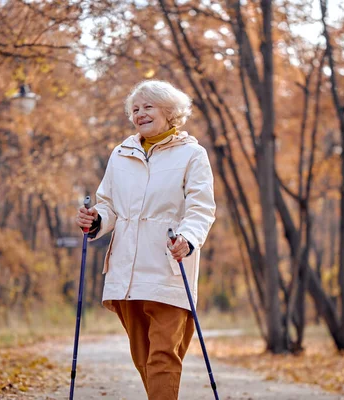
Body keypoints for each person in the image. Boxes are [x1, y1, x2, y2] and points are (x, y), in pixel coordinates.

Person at [75, 79, 216, 399]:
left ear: (170, 112)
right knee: (144, 357)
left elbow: (201, 209)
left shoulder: (192, 154)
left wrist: (188, 238)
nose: (140, 113)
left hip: (169, 265)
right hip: (126, 272)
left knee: (164, 354)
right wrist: (95, 218)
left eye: (148, 107)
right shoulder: (120, 154)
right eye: (135, 109)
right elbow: (108, 205)